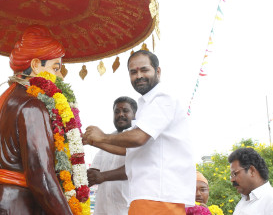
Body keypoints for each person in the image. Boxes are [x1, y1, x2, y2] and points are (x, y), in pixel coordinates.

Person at [0, 26, 73, 215]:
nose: (60, 76)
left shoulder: (5, 100)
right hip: (16, 206)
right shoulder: (32, 106)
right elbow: (41, 177)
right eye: (56, 68)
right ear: (36, 65)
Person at [83, 50, 196, 214]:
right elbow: (129, 149)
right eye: (133, 72)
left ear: (158, 71)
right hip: (148, 195)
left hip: (158, 195)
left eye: (144, 70)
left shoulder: (162, 98)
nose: (139, 76)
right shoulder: (146, 104)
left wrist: (102, 136)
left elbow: (138, 138)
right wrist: (94, 141)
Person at [88, 96, 137, 215]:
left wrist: (102, 176)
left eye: (125, 111)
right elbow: (94, 172)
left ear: (135, 115)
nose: (120, 114)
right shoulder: (106, 140)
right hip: (102, 210)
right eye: (117, 111)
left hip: (126, 210)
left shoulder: (139, 139)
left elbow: (135, 167)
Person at [228, 147, 273, 215]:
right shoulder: (244, 200)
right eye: (231, 176)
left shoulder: (270, 200)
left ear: (251, 171)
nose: (232, 180)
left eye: (235, 174)